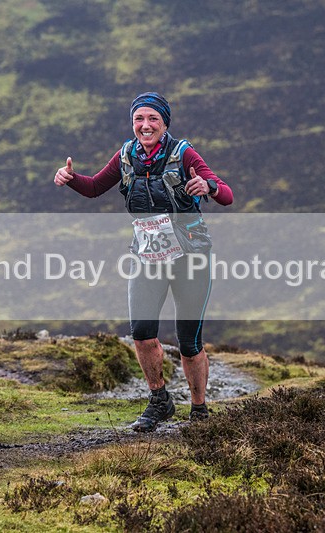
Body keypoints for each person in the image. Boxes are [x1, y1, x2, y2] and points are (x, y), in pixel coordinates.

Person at [54, 92, 233, 431]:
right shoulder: (125, 155)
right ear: (132, 123)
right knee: (141, 333)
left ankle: (199, 410)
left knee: (189, 342)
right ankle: (159, 400)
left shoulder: (183, 154)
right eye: (139, 119)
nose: (145, 125)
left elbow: (226, 194)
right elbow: (94, 187)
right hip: (148, 257)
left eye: (153, 119)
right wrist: (70, 179)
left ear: (164, 123)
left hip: (190, 257)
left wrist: (207, 185)